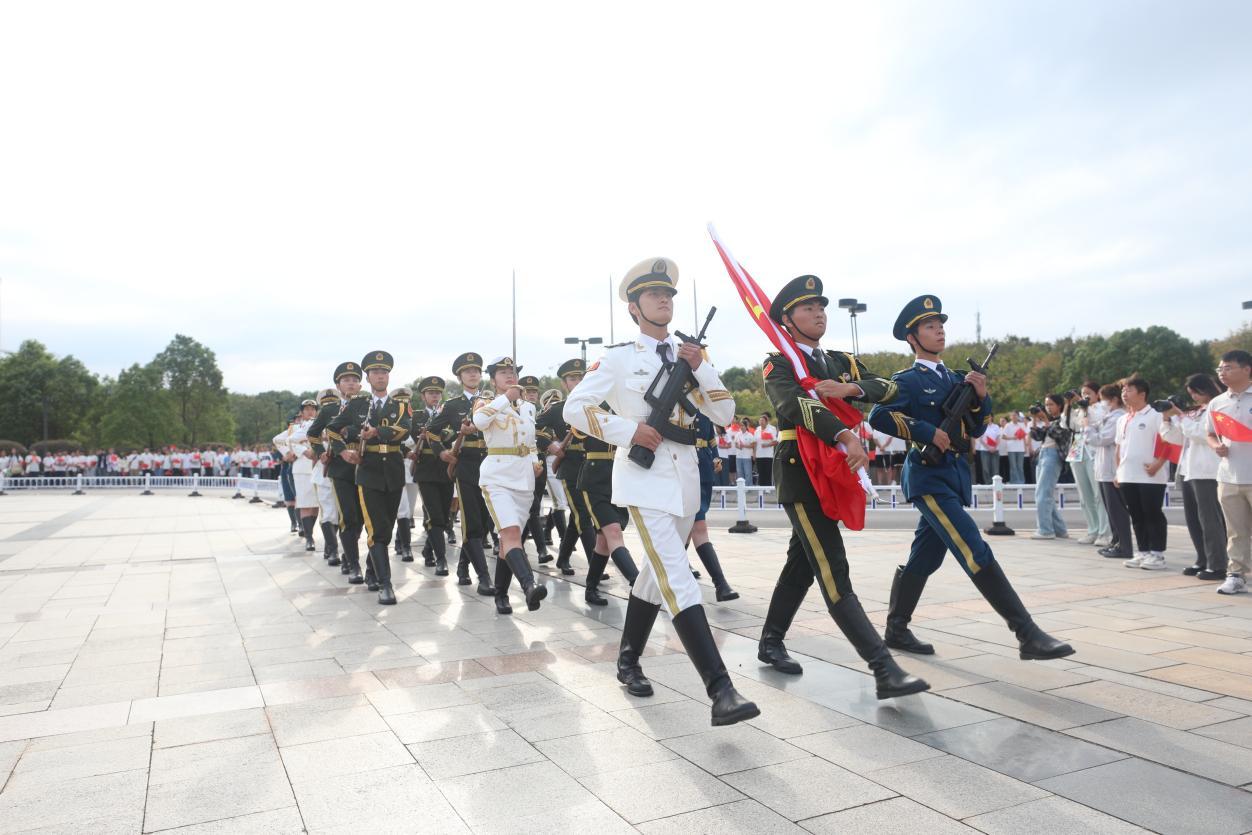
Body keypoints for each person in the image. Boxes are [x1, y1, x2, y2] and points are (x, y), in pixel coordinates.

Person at [564, 256, 759, 726]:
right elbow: (575, 408)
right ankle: (721, 690)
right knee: (677, 575)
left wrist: (701, 368)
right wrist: (628, 431)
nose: (664, 300)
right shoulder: (618, 359)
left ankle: (627, 659)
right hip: (644, 477)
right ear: (634, 307)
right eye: (653, 294)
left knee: (655, 574)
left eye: (668, 293)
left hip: (686, 475)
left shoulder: (692, 356)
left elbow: (725, 413)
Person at [868, 295, 1073, 661]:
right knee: (973, 548)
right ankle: (1026, 633)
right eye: (930, 326)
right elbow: (878, 416)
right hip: (928, 477)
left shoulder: (956, 379)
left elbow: (976, 427)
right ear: (912, 338)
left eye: (940, 325)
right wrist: (927, 433)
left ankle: (896, 629)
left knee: (924, 559)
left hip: (952, 475)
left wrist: (981, 396)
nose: (939, 331)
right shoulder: (907, 381)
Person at [755, 275, 928, 698]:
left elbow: (889, 388)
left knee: (802, 562)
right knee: (832, 566)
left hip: (834, 470)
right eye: (808, 308)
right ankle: (883, 668)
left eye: (821, 307)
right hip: (801, 473)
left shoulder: (841, 361)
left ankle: (770, 641)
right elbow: (793, 404)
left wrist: (850, 387)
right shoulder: (779, 363)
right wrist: (844, 433)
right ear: (787, 320)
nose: (818, 314)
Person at [329, 351, 412, 605]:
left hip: (394, 470)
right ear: (368, 377)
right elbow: (332, 429)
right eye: (375, 372)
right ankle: (386, 584)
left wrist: (377, 431)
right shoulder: (358, 404)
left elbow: (404, 430)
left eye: (384, 372)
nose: (380, 376)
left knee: (386, 527)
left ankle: (372, 570)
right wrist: (344, 452)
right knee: (376, 529)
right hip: (368, 472)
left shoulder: (400, 405)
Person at [474, 357, 548, 614]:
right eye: (503, 372)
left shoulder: (528, 407)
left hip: (524, 478)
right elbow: (479, 422)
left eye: (512, 372)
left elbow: (531, 442)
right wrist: (506, 398)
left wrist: (535, 461)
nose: (509, 376)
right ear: (493, 380)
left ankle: (501, 594)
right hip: (497, 477)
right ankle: (529, 586)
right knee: (511, 533)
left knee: (509, 540)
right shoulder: (486, 403)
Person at [429, 352, 495, 596]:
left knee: (486, 521)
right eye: (468, 371)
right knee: (472, 521)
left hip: (491, 463)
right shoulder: (453, 405)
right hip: (466, 465)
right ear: (460, 377)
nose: (473, 374)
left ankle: (463, 565)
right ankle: (484, 578)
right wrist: (442, 453)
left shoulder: (492, 401)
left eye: (476, 370)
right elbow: (432, 432)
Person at [537, 358, 601, 587]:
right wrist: (550, 445)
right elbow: (533, 427)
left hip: (593, 465)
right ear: (564, 384)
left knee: (579, 516)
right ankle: (595, 564)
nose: (578, 381)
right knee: (583, 515)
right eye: (572, 379)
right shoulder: (557, 409)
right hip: (571, 466)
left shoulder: (597, 404)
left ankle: (563, 557)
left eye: (581, 377)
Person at [1160, 374, 1226, 580]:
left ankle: (1217, 564)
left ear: (1207, 388)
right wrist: (1167, 418)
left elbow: (1201, 434)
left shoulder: (1217, 407)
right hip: (1188, 470)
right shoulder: (1195, 412)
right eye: (1191, 394)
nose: (1194, 397)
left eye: (1197, 392)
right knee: (1193, 519)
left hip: (1207, 471)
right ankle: (1202, 559)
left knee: (1209, 520)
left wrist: (1181, 416)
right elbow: (1175, 437)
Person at [309, 361, 365, 581]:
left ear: (360, 385)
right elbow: (313, 433)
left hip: (364, 465)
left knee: (361, 518)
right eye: (346, 380)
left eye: (355, 380)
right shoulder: (330, 409)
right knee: (348, 516)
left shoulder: (367, 406)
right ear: (338, 385)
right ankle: (353, 564)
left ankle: (348, 553)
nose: (351, 383)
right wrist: (320, 452)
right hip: (341, 469)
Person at [1116, 375, 1171, 570]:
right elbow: (1119, 447)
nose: (1124, 393)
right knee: (1136, 515)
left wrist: (1158, 464)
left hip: (1151, 475)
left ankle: (1157, 554)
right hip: (1127, 474)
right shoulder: (1123, 419)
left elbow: (1169, 441)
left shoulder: (1155, 415)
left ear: (1142, 394)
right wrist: (1118, 471)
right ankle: (1143, 551)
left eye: (1129, 390)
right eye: (1123, 390)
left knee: (1152, 514)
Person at [1208, 350, 1252, 595]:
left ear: (1246, 369)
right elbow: (1210, 433)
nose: (1222, 373)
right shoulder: (1217, 402)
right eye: (1220, 369)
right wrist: (1216, 446)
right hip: (1228, 476)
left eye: (1228, 368)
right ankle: (1236, 575)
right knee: (1235, 531)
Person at [690, 411, 738, 601]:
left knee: (689, 528)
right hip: (685, 468)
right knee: (698, 526)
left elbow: (710, 438)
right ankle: (721, 584)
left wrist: (716, 457)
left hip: (704, 467)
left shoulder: (704, 407)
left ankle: (676, 567)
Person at [413, 376, 453, 576]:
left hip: (446, 468)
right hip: (426, 469)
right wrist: (427, 435)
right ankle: (441, 559)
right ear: (423, 396)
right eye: (431, 393)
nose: (435, 396)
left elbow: (451, 434)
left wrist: (432, 434)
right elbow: (412, 435)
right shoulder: (417, 416)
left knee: (444, 516)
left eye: (437, 393)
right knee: (435, 516)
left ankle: (428, 549)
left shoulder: (448, 414)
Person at [1091, 384, 1133, 559]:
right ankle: (1116, 541)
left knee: (1117, 510)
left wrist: (1088, 427)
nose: (1101, 404)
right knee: (1110, 509)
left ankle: (1125, 545)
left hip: (1112, 470)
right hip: (1103, 469)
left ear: (1114, 400)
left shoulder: (1118, 417)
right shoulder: (1107, 416)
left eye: (1104, 400)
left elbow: (1101, 439)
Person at [1069, 382, 1111, 545]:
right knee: (1084, 495)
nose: (1085, 396)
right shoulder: (1079, 410)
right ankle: (1092, 530)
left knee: (1098, 494)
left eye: (1088, 393)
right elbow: (1068, 425)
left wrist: (1086, 408)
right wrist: (1068, 405)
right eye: (1082, 393)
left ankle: (1104, 533)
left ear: (1097, 394)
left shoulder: (1102, 408)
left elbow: (1096, 421)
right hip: (1077, 447)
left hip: (1093, 450)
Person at [517, 374, 552, 564]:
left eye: (534, 392)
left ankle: (518, 546)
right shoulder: (516, 413)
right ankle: (541, 549)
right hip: (522, 461)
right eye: (527, 391)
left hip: (539, 461)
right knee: (532, 507)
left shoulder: (542, 414)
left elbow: (547, 436)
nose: (531, 394)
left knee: (533, 507)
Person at [1030, 394, 1071, 540]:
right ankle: (1060, 530)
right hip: (1042, 455)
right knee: (1044, 493)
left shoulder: (1064, 419)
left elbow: (1057, 434)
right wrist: (1035, 418)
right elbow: (1036, 436)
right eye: (1046, 405)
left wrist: (1045, 420)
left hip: (1053, 456)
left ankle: (1045, 530)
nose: (1048, 408)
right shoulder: (1051, 421)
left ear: (1059, 405)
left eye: (1051, 404)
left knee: (1043, 494)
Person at [309, 388, 342, 565]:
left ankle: (331, 546)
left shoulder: (344, 416)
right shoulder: (315, 422)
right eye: (326, 404)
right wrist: (320, 450)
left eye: (333, 403)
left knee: (340, 512)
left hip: (343, 469)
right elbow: (309, 436)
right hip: (323, 471)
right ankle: (333, 550)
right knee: (329, 512)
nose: (330, 406)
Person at [390, 387, 418, 563]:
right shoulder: (391, 420)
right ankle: (406, 547)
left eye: (406, 401)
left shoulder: (414, 419)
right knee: (403, 508)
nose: (404, 403)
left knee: (410, 508)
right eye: (400, 401)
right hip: (397, 467)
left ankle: (400, 542)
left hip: (412, 469)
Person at [754, 413, 778, 487]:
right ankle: (761, 488)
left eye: (763, 420)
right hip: (759, 455)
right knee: (760, 472)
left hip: (768, 455)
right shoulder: (757, 430)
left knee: (767, 472)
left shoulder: (771, 429)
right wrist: (754, 454)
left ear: (766, 422)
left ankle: (768, 488)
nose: (761, 422)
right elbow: (755, 443)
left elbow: (775, 442)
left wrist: (767, 445)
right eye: (760, 420)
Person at [734, 417, 756, 484]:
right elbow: (735, 444)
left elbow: (753, 445)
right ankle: (741, 487)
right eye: (740, 425)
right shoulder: (737, 434)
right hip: (738, 457)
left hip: (747, 457)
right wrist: (739, 447)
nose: (741, 427)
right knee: (740, 473)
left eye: (743, 425)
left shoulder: (750, 435)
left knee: (748, 473)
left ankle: (748, 487)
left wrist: (744, 446)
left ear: (746, 426)